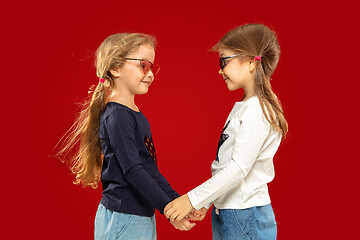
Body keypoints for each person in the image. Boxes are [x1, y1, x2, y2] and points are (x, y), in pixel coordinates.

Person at [56, 33, 195, 240]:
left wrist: (177, 202)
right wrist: (168, 209)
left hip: (139, 216)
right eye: (144, 65)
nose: (151, 74)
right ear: (116, 68)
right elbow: (133, 171)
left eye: (152, 67)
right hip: (124, 218)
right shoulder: (118, 116)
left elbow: (149, 170)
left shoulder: (135, 115)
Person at [164, 23, 288, 240]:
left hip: (244, 213)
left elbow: (239, 168)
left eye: (224, 61)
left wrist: (191, 199)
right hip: (231, 211)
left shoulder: (257, 110)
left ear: (251, 62)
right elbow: (226, 164)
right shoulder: (246, 106)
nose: (220, 69)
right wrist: (208, 200)